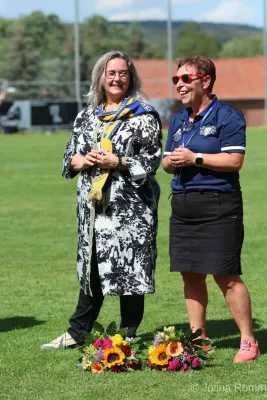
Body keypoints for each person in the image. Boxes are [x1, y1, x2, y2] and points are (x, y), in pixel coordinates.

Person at [41, 50, 162, 350]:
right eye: (111, 73)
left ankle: (128, 334)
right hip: (94, 210)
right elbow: (69, 159)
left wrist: (118, 161)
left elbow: (151, 162)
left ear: (131, 78)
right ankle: (77, 332)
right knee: (92, 268)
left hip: (131, 210)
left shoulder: (143, 116)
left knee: (130, 268)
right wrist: (83, 161)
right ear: (101, 78)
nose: (117, 78)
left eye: (123, 73)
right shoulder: (86, 117)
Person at [162, 55, 259, 363]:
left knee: (226, 275)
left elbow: (234, 161)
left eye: (185, 78)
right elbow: (165, 162)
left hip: (219, 205)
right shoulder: (178, 118)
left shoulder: (228, 116)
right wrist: (172, 161)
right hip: (183, 206)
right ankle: (198, 339)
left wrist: (196, 159)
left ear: (205, 80)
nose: (179, 84)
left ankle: (247, 340)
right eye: (176, 79)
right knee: (190, 274)